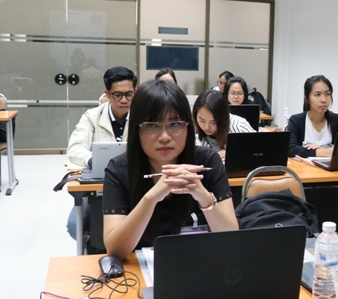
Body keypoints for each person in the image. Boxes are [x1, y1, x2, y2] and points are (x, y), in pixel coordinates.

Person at [102, 80, 238, 259]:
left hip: (200, 263)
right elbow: (115, 250)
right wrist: (151, 198)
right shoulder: (119, 170)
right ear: (137, 130)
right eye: (151, 125)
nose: (165, 137)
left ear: (188, 127)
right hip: (140, 270)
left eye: (175, 124)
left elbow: (231, 239)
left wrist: (205, 199)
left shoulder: (207, 162)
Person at [65, 66, 137, 240]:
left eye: (129, 94)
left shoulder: (143, 117)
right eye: (117, 95)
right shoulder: (92, 116)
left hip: (134, 186)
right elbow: (75, 148)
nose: (124, 100)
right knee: (75, 226)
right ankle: (93, 246)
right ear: (108, 94)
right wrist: (93, 160)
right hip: (99, 187)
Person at [286, 74, 338, 158]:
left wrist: (321, 150)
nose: (323, 100)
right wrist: (325, 152)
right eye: (317, 95)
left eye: (327, 94)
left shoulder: (337, 120)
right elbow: (291, 149)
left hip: (330, 166)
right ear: (307, 99)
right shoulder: (296, 120)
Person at [192, 89, 255, 161]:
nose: (206, 127)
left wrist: (235, 153)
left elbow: (259, 151)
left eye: (213, 122)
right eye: (202, 120)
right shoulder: (190, 128)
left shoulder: (239, 125)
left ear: (223, 117)